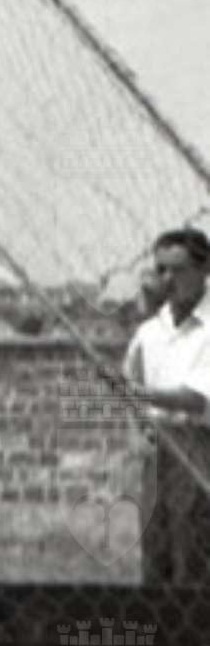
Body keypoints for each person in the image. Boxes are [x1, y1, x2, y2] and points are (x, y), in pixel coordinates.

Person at [122, 228, 210, 585]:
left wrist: (140, 394)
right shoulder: (150, 332)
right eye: (161, 270)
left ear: (204, 270)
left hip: (199, 445)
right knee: (155, 552)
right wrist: (137, 430)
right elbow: (130, 382)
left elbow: (196, 398)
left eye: (178, 270)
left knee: (191, 553)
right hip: (158, 447)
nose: (168, 279)